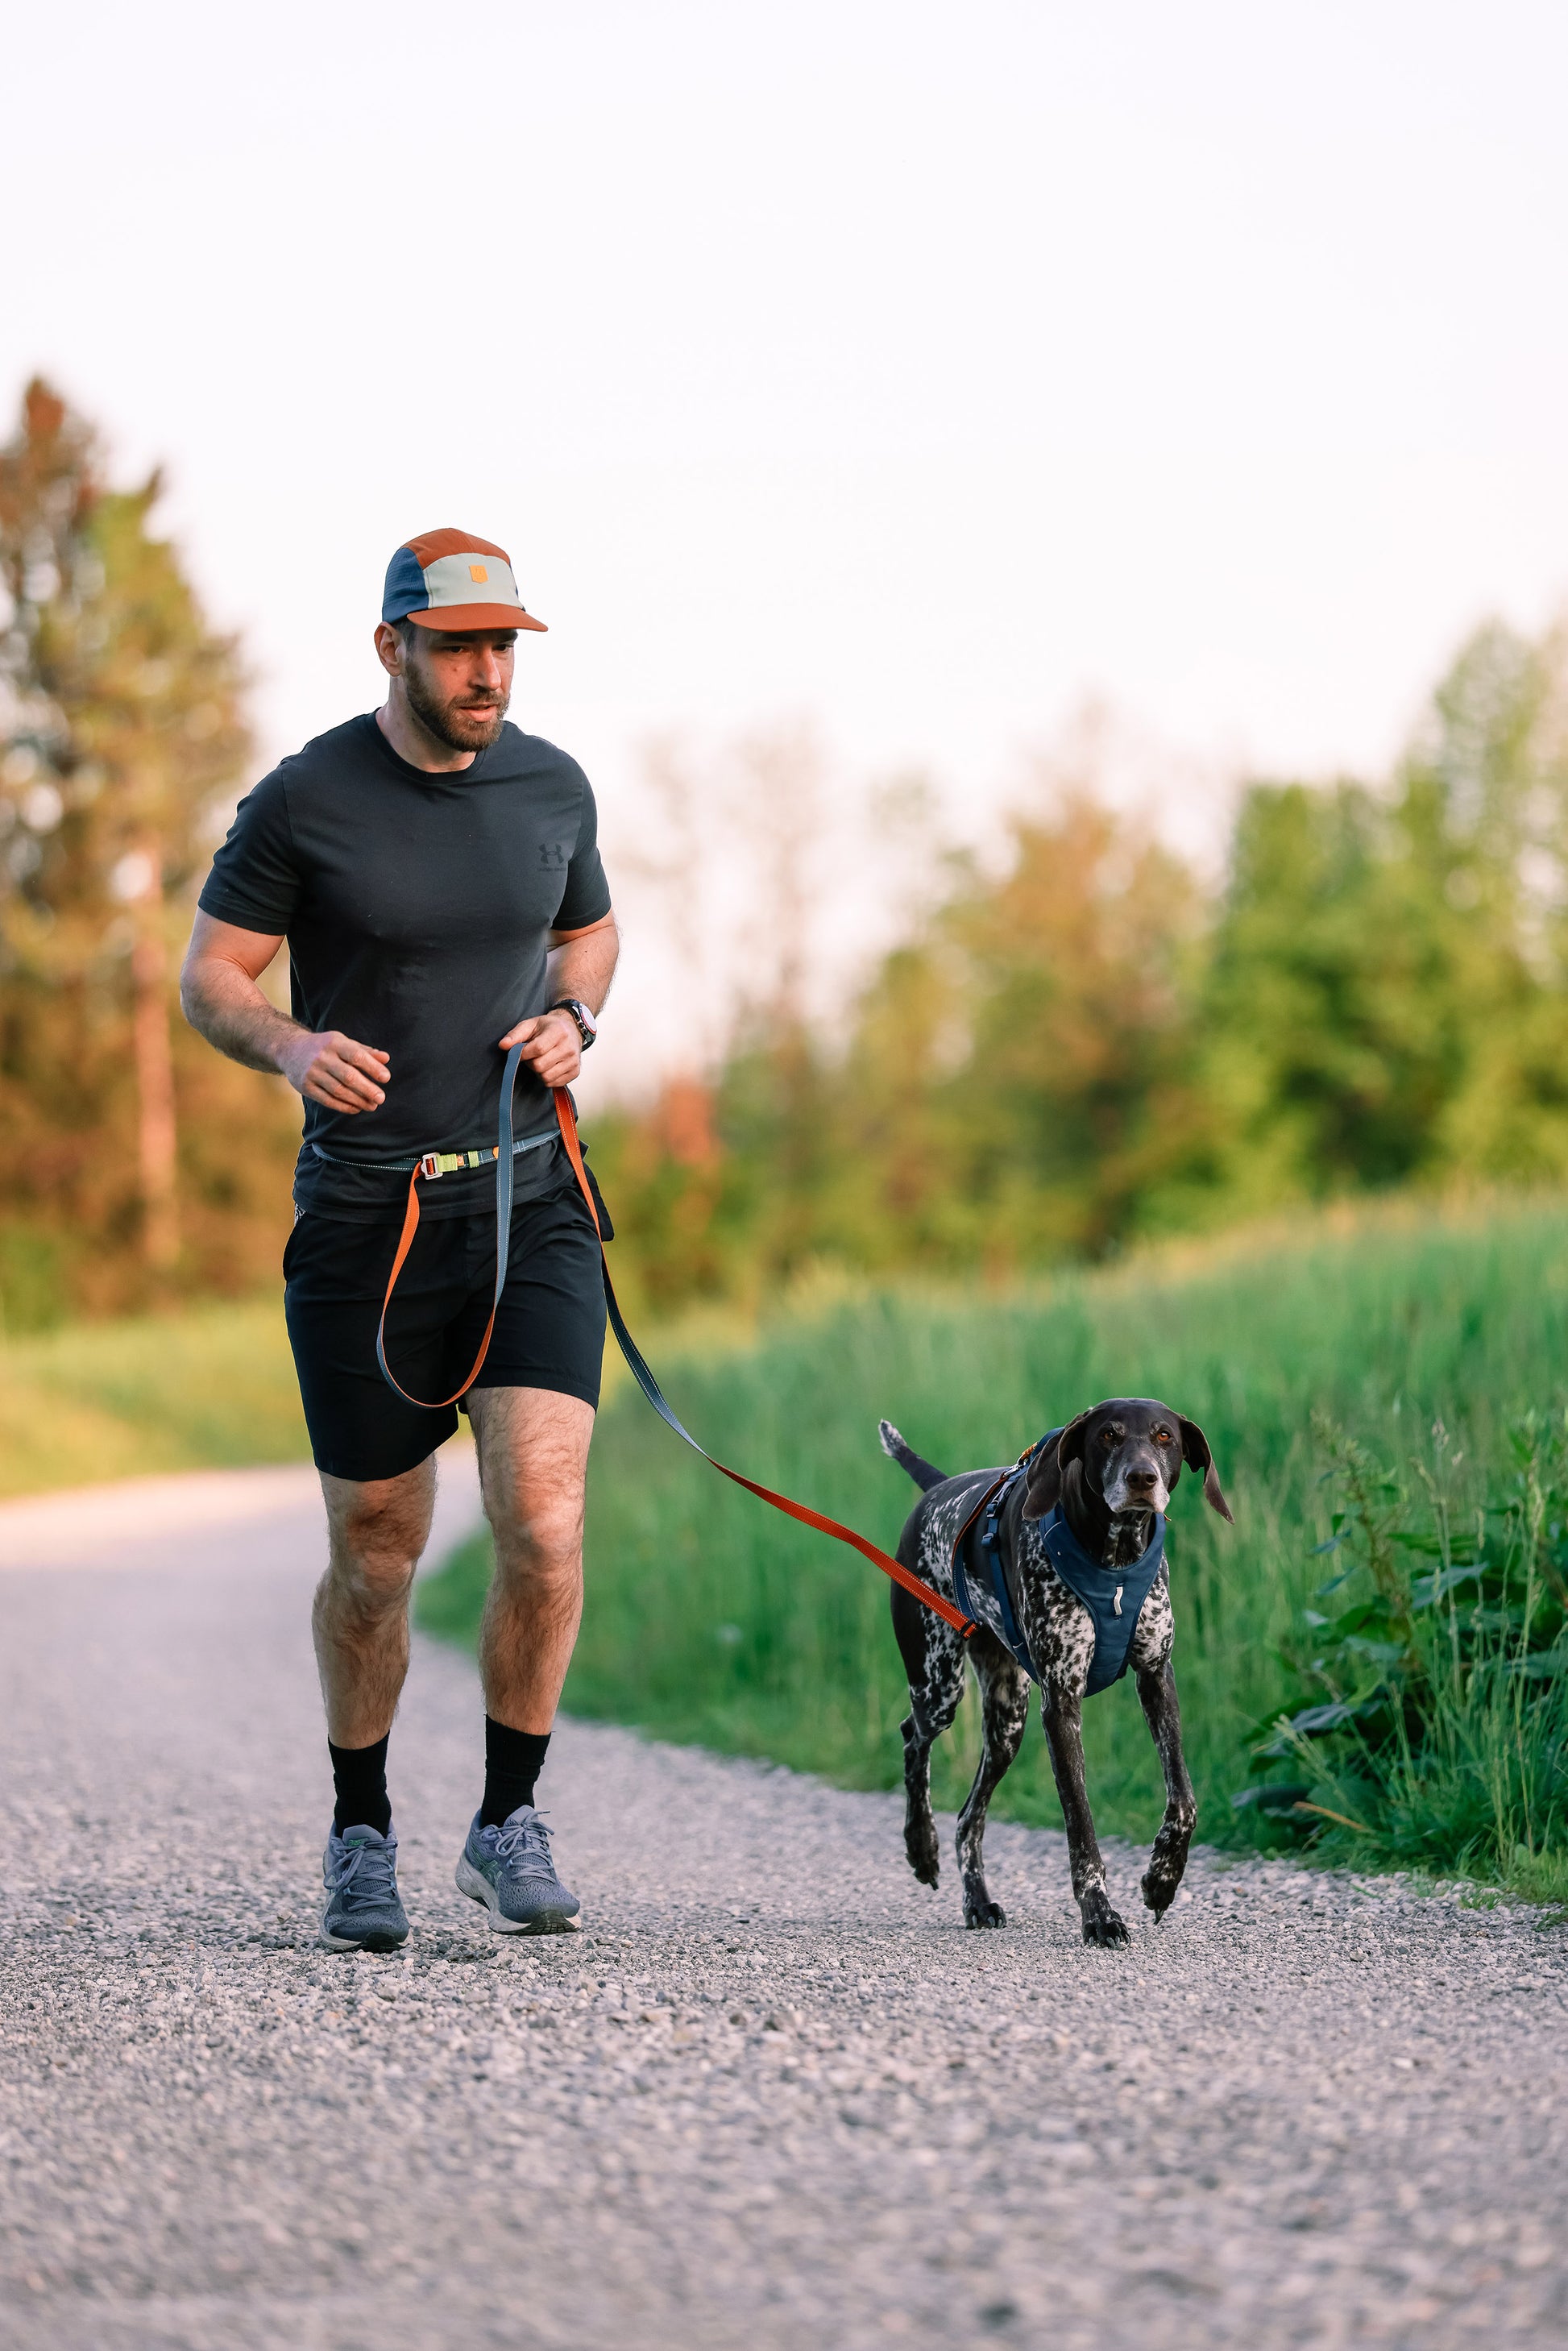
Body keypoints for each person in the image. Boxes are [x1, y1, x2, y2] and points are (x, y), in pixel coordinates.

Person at [181, 529, 619, 1950]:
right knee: (379, 1545)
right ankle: (360, 1832)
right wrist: (292, 1045)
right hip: (368, 1220)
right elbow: (210, 976)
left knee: (543, 1520)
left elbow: (592, 933)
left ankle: (509, 1819)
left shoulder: (553, 784)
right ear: (393, 650)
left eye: (503, 645)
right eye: (458, 646)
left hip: (530, 1197)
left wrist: (579, 1016)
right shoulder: (305, 799)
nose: (487, 671)